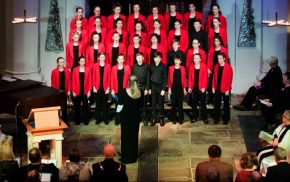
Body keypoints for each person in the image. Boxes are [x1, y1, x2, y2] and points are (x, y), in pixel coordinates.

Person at [118, 75, 141, 163]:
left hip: (125, 117)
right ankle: (134, 156)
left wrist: (118, 113)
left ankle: (126, 157)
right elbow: (140, 106)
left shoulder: (123, 92)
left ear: (128, 82)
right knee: (134, 136)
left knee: (125, 137)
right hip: (135, 117)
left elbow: (120, 105)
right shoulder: (139, 92)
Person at [207, 36, 229, 104]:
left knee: (219, 84)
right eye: (215, 41)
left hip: (220, 68)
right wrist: (208, 68)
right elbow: (209, 60)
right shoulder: (211, 49)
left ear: (220, 42)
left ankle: (219, 100)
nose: (215, 42)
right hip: (213, 68)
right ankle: (210, 100)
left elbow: (226, 60)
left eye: (217, 41)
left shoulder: (224, 49)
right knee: (211, 84)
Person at [212, 52, 233, 125]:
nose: (219, 60)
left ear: (224, 59)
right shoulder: (216, 66)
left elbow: (230, 79)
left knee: (226, 105)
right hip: (217, 88)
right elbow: (214, 77)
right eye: (218, 58)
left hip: (225, 88)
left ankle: (226, 119)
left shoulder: (228, 67)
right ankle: (217, 118)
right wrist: (213, 87)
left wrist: (228, 89)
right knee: (217, 104)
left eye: (220, 58)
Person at [110, 54, 131, 125]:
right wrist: (112, 89)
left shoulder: (127, 67)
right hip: (116, 90)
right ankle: (117, 119)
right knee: (117, 105)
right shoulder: (113, 68)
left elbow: (129, 79)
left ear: (124, 60)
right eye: (120, 59)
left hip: (125, 90)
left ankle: (124, 119)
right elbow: (112, 79)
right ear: (117, 60)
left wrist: (129, 88)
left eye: (122, 59)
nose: (121, 60)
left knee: (124, 105)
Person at [71, 56, 92, 125]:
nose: (83, 62)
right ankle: (77, 121)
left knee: (85, 106)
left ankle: (85, 120)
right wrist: (73, 91)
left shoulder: (88, 69)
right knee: (77, 106)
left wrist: (89, 90)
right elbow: (73, 81)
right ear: (79, 62)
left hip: (85, 90)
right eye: (81, 61)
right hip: (77, 90)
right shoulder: (75, 69)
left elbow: (90, 80)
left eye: (84, 61)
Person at [188, 53, 208, 124]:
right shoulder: (191, 66)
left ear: (200, 59)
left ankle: (205, 118)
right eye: (194, 58)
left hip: (201, 87)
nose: (195, 60)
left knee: (203, 103)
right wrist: (190, 87)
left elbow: (205, 78)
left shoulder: (204, 66)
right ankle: (194, 117)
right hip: (194, 87)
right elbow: (190, 78)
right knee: (194, 103)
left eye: (197, 58)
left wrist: (204, 87)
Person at [92, 52, 111, 124]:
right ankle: (98, 119)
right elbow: (93, 76)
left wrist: (108, 87)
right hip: (97, 87)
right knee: (98, 104)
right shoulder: (95, 65)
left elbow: (109, 77)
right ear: (98, 58)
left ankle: (105, 119)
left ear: (105, 58)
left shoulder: (108, 66)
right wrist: (93, 86)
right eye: (101, 57)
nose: (102, 58)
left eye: (103, 57)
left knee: (105, 104)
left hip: (105, 87)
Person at [132, 52, 150, 125]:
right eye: (137, 58)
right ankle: (137, 118)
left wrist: (147, 88)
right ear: (136, 58)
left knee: (144, 105)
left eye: (140, 57)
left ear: (143, 58)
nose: (139, 59)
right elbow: (132, 78)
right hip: (136, 87)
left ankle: (144, 118)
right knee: (136, 104)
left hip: (144, 87)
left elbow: (148, 78)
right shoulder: (134, 66)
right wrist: (133, 88)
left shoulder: (146, 66)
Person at [167, 54, 187, 125]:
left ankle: (180, 119)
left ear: (180, 61)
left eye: (178, 60)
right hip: (173, 88)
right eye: (175, 60)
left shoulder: (183, 68)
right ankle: (174, 118)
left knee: (180, 104)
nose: (176, 61)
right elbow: (169, 80)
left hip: (180, 88)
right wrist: (169, 89)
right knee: (174, 104)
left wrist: (184, 89)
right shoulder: (170, 68)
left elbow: (184, 80)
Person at [51, 57, 71, 123]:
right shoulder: (54, 71)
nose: (62, 63)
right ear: (57, 63)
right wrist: (54, 92)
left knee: (64, 108)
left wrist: (69, 90)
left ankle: (65, 122)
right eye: (60, 62)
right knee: (57, 108)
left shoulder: (67, 70)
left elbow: (69, 81)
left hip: (64, 92)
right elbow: (53, 83)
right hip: (57, 92)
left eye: (63, 62)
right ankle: (57, 122)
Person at [149, 52, 167, 126]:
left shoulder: (163, 66)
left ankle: (161, 118)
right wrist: (149, 88)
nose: (157, 59)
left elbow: (165, 79)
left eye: (158, 58)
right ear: (153, 59)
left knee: (160, 103)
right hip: (153, 86)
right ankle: (154, 118)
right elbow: (149, 78)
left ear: (161, 58)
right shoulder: (151, 66)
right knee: (153, 103)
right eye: (155, 58)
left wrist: (163, 89)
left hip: (160, 87)